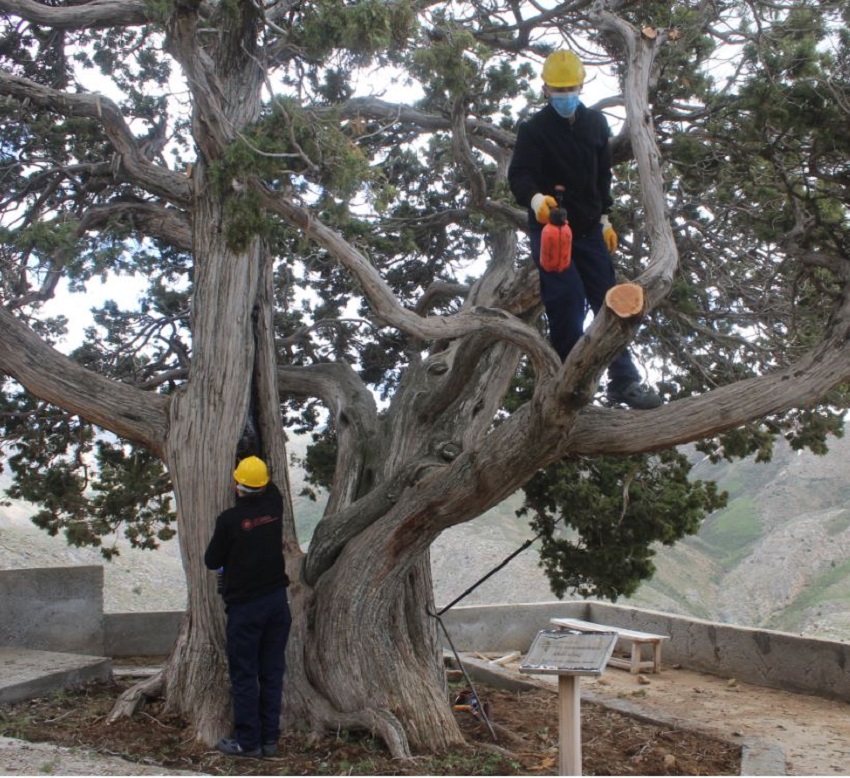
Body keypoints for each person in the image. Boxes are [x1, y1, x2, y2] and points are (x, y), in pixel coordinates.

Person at [508, 50, 661, 410]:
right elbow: (520, 175)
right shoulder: (534, 130)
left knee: (612, 303)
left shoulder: (595, 124)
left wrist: (606, 218)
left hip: (590, 230)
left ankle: (623, 382)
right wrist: (535, 200)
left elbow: (602, 175)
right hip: (553, 232)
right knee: (566, 302)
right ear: (545, 89)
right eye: (558, 89)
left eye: (571, 87)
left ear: (581, 85)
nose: (565, 95)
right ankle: (569, 383)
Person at [204, 455, 292, 758]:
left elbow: (211, 560)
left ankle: (247, 743)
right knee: (271, 671)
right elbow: (271, 488)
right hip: (278, 604)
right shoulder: (275, 507)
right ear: (264, 485)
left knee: (244, 674)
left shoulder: (229, 520)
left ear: (236, 484)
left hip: (245, 608)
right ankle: (270, 741)